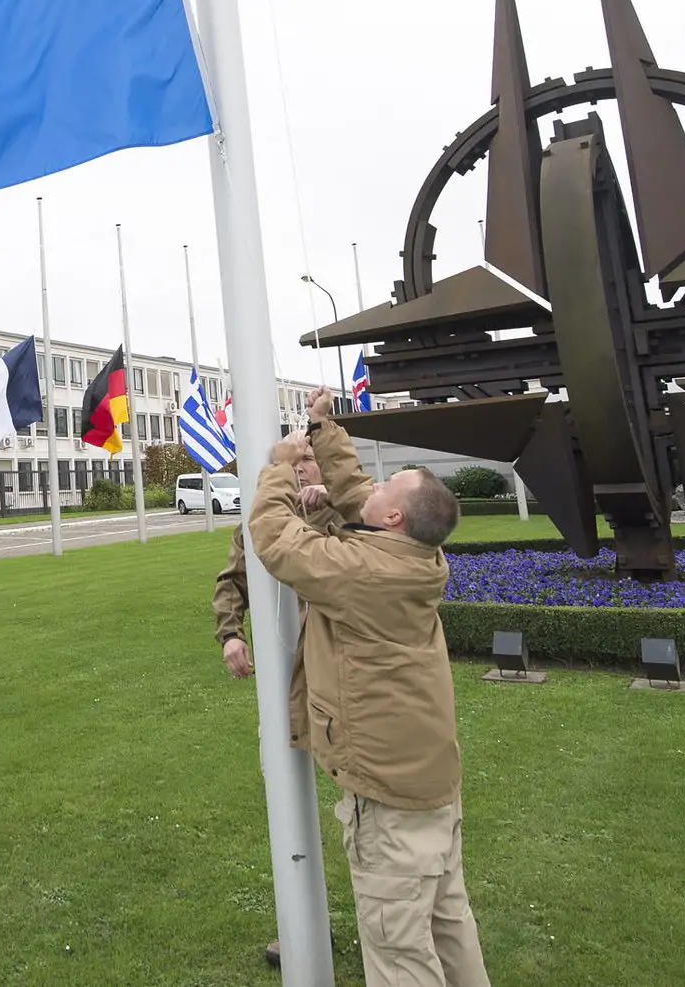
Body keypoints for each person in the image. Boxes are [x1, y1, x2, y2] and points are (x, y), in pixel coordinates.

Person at [249, 389, 489, 987]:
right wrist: (324, 428)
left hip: (389, 800)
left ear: (393, 519)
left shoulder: (365, 573)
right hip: (429, 786)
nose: (371, 489)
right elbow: (358, 497)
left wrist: (279, 466)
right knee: (447, 923)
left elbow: (278, 538)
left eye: (388, 486)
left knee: (400, 953)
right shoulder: (414, 555)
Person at [210, 435, 359, 970]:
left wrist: (334, 502)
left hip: (341, 683)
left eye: (307, 461)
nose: (301, 472)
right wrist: (230, 633)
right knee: (284, 795)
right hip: (285, 686)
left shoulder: (347, 515)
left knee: (362, 809)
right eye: (293, 464)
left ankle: (378, 915)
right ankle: (298, 920)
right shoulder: (263, 516)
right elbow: (233, 579)